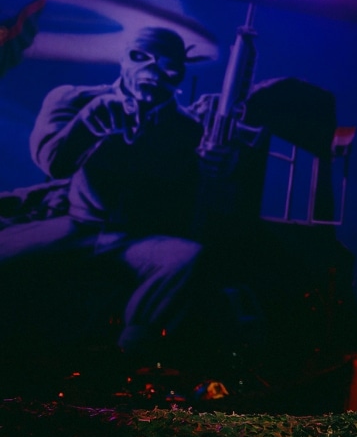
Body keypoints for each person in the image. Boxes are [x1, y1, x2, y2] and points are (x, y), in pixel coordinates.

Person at [0, 26, 209, 361]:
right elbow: (52, 161)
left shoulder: (187, 128)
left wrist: (212, 167)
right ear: (127, 58)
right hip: (77, 225)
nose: (152, 75)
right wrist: (88, 124)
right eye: (143, 60)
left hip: (137, 238)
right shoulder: (74, 99)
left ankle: (130, 360)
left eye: (168, 68)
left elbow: (187, 199)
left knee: (186, 257)